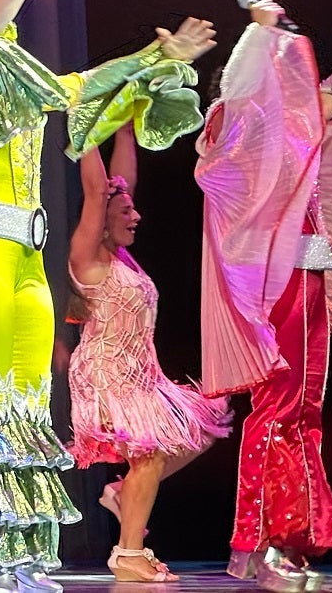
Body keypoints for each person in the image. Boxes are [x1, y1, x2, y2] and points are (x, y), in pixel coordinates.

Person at [0, 0, 215, 593]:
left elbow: (77, 88)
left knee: (25, 407)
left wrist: (151, 56)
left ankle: (18, 559)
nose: (5, 18)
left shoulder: (20, 100)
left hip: (24, 255)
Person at [197, 3, 332, 592]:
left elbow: (320, 110)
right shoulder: (236, 124)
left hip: (304, 279)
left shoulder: (281, 127)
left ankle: (283, 539)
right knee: (281, 408)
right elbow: (311, 107)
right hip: (278, 286)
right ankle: (263, 542)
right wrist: (266, 31)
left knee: (299, 410)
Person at [66, 126, 230, 582]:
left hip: (143, 373)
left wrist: (125, 124)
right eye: (125, 211)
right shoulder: (88, 258)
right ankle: (129, 554)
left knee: (203, 429)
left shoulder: (122, 256)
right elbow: (99, 190)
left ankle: (123, 495)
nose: (136, 215)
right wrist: (86, 131)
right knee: (151, 454)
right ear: (101, 217)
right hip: (107, 370)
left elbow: (120, 183)